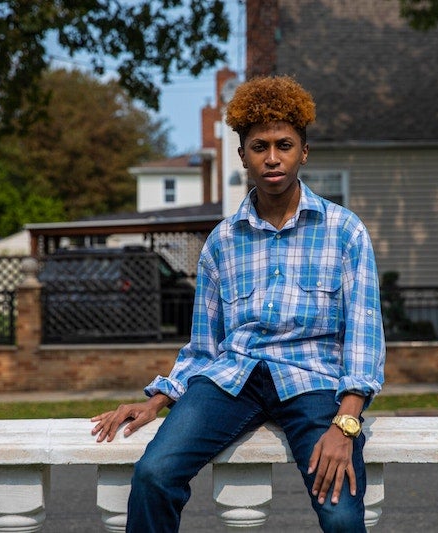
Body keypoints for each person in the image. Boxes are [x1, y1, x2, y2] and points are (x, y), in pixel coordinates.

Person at [91, 75, 385, 533]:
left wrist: (346, 422)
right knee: (153, 474)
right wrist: (159, 399)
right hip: (234, 379)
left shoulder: (344, 231)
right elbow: (205, 346)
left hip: (313, 382)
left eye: (284, 145)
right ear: (242, 154)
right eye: (259, 146)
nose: (272, 158)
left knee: (341, 513)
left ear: (303, 151)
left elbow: (363, 339)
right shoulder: (222, 241)